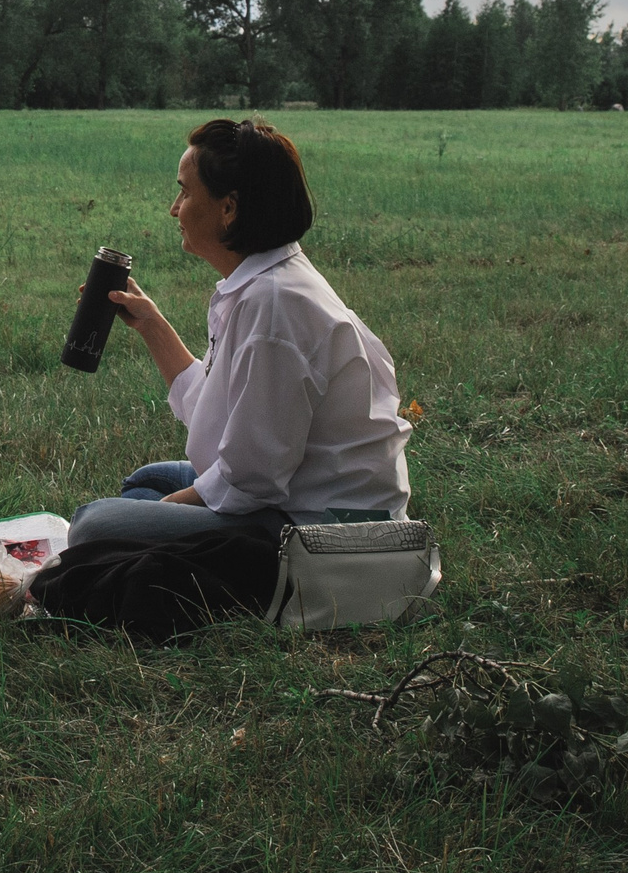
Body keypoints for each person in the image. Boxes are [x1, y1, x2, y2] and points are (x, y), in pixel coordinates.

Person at [67, 118, 412, 551]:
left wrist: (163, 514)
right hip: (291, 492)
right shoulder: (265, 283)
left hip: (321, 532)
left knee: (93, 527)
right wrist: (151, 324)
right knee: (146, 483)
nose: (174, 208)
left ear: (229, 208)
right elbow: (217, 415)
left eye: (185, 193)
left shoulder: (274, 307)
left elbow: (252, 480)